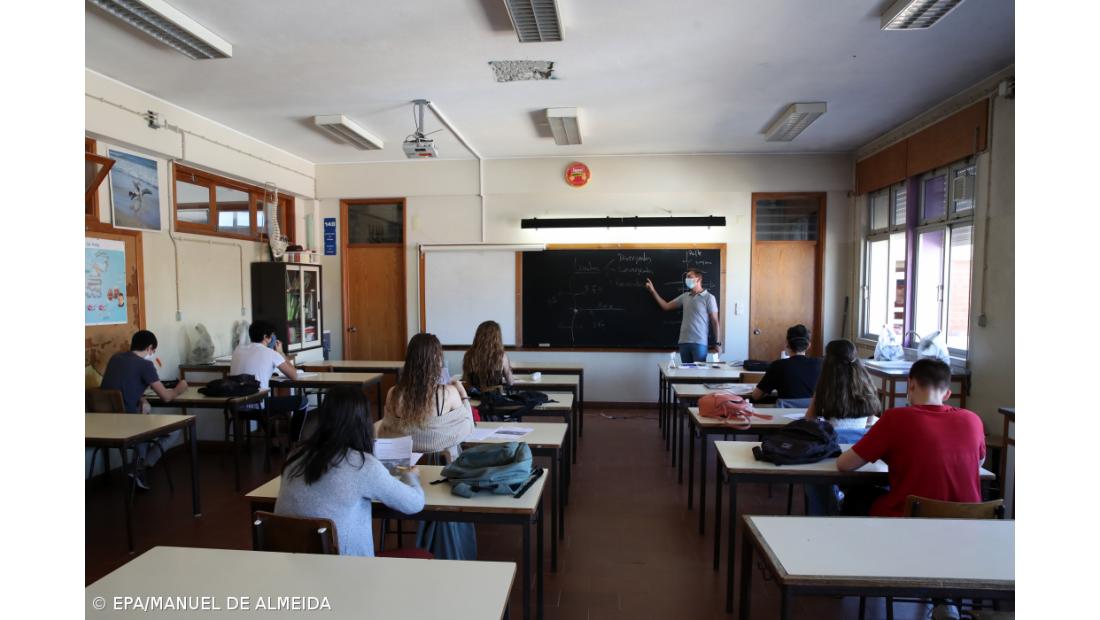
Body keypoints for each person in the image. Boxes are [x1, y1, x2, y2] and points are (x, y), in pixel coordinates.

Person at [275, 385, 425, 557]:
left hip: (290, 566)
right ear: (363, 421)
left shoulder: (296, 455)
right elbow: (414, 503)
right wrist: (410, 476)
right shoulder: (361, 465)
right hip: (346, 571)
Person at [836, 358, 986, 517]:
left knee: (857, 495)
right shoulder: (973, 419)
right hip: (968, 519)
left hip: (912, 516)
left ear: (911, 384)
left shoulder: (895, 418)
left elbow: (845, 464)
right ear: (947, 394)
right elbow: (979, 462)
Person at [377, 333, 476, 559]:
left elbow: (386, 431)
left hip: (402, 471)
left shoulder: (394, 394)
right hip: (443, 471)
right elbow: (468, 426)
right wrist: (462, 392)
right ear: (437, 360)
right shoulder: (447, 394)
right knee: (454, 450)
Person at [100, 330, 189, 490]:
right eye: (153, 351)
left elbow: (119, 389)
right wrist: (179, 388)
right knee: (176, 429)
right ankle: (141, 466)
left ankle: (138, 465)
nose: (153, 354)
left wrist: (141, 398)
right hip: (131, 424)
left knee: (145, 414)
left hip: (105, 423)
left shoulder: (115, 359)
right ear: (149, 348)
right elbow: (166, 397)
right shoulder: (145, 365)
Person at [802, 339, 883, 515]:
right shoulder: (867, 385)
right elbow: (870, 421)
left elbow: (809, 419)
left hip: (831, 447)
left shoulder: (825, 387)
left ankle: (824, 513)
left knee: (813, 475)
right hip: (860, 451)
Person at [230, 320, 307, 440]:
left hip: (235, 406)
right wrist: (281, 352)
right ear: (266, 337)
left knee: (266, 400)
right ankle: (294, 441)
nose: (273, 338)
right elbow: (294, 375)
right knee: (303, 401)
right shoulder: (271, 353)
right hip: (259, 407)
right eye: (272, 335)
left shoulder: (237, 351)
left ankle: (273, 441)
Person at [644, 269, 721, 364]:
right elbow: (666, 306)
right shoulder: (685, 296)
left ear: (699, 279)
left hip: (699, 343)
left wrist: (718, 343)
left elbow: (715, 321)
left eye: (690, 277)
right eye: (686, 277)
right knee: (686, 376)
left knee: (699, 375)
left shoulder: (709, 298)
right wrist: (653, 291)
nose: (687, 279)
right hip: (684, 342)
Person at [750, 324, 821, 407]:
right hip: (812, 416)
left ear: (787, 344)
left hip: (783, 415)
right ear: (809, 345)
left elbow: (756, 396)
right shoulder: (820, 364)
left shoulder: (778, 365)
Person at [462, 320, 514, 389]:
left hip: (473, 397)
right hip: (494, 398)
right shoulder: (501, 356)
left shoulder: (468, 354)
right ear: (497, 337)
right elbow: (510, 382)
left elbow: (466, 380)